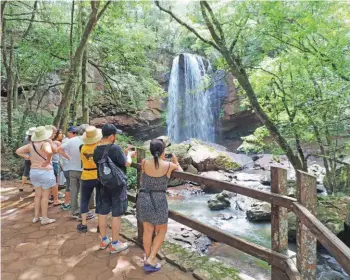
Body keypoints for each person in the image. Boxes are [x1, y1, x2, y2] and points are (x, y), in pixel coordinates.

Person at [136, 138, 182, 272]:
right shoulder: (169, 166)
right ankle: (151, 259)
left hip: (144, 197)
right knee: (162, 230)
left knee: (148, 229)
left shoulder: (144, 162)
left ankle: (148, 257)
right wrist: (176, 161)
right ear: (163, 151)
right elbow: (182, 172)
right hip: (159, 199)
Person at [93, 124, 136, 253]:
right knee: (116, 213)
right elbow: (126, 163)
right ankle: (115, 243)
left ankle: (104, 239)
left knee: (102, 211)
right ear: (111, 136)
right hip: (117, 185)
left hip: (102, 183)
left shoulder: (96, 149)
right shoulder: (115, 148)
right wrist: (129, 154)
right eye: (115, 135)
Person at [16, 126, 57, 225]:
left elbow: (18, 151)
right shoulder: (45, 143)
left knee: (37, 195)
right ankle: (45, 218)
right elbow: (51, 152)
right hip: (45, 172)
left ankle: (36, 217)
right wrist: (47, 160)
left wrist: (27, 156)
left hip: (34, 172)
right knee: (45, 196)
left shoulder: (31, 144)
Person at [77, 126, 102, 233]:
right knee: (100, 200)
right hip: (98, 175)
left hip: (86, 175)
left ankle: (83, 224)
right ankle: (99, 225)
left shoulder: (82, 147)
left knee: (84, 200)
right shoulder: (100, 147)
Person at [61, 126, 84, 219]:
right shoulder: (87, 141)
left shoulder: (71, 140)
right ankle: (83, 212)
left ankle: (74, 211)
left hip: (72, 169)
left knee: (73, 191)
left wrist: (69, 158)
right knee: (83, 192)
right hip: (83, 170)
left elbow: (59, 149)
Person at [60, 126, 79, 211]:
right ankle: (67, 204)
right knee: (70, 187)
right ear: (69, 133)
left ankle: (68, 203)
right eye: (73, 133)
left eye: (75, 133)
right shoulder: (68, 141)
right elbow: (59, 150)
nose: (74, 134)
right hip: (69, 168)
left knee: (70, 186)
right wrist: (69, 158)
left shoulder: (68, 141)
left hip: (67, 167)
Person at [19, 127, 36, 192]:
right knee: (33, 171)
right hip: (34, 158)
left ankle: (22, 186)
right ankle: (34, 187)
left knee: (26, 171)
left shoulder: (26, 138)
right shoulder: (36, 140)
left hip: (27, 157)